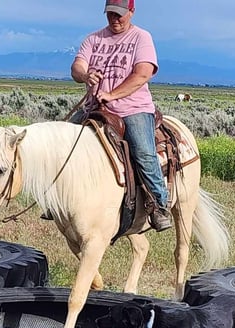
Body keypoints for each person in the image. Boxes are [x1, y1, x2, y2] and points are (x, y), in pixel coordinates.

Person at [71, 0, 172, 232]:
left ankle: (159, 203)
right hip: (95, 107)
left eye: (119, 15)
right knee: (63, 140)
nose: (115, 19)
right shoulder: (94, 39)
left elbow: (142, 74)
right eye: (110, 14)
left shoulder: (141, 38)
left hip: (133, 108)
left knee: (143, 152)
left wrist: (112, 94)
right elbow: (76, 67)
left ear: (131, 12)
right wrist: (86, 75)